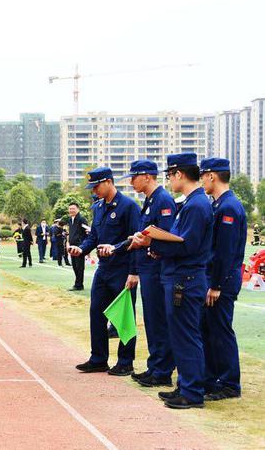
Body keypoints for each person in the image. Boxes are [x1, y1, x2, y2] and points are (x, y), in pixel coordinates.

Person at [133, 153, 213, 409]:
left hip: (185, 278)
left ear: (179, 174)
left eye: (169, 175)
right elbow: (176, 240)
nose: (168, 180)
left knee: (186, 335)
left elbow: (186, 245)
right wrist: (157, 245)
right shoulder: (191, 203)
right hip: (179, 275)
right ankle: (185, 386)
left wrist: (152, 242)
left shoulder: (196, 205)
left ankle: (192, 392)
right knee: (180, 335)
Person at [69, 167, 140, 377]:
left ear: (109, 182)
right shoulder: (98, 207)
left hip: (122, 268)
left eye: (97, 186)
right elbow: (95, 237)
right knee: (96, 312)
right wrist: (82, 249)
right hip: (104, 268)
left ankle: (126, 362)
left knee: (124, 317)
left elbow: (135, 240)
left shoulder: (129, 207)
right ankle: (98, 358)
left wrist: (133, 271)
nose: (95, 191)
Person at [121, 160, 176, 387]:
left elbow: (166, 235)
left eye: (134, 177)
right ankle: (155, 366)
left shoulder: (162, 200)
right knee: (152, 320)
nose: (132, 182)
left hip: (157, 267)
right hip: (148, 268)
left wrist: (145, 242)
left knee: (158, 320)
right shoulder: (150, 200)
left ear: (147, 176)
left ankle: (162, 370)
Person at [199, 158, 246, 402]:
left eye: (203, 176)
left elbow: (225, 252)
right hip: (215, 278)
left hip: (222, 281)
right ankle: (214, 379)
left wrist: (216, 284)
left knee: (221, 330)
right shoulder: (219, 204)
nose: (202, 181)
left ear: (212, 177)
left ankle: (229, 383)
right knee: (209, 329)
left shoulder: (228, 207)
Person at [67, 203, 89, 291]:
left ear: (78, 209)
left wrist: (85, 246)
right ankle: (77, 283)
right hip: (72, 246)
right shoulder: (69, 219)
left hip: (80, 247)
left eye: (73, 208)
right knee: (75, 266)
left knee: (79, 266)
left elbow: (87, 232)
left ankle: (79, 285)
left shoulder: (82, 219)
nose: (71, 210)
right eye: (70, 209)